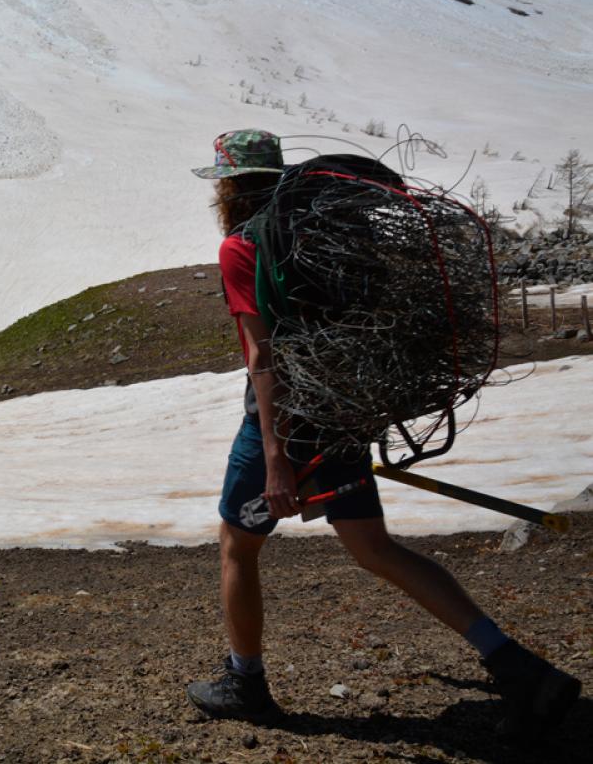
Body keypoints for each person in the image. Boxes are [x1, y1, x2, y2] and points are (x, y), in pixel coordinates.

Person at [185, 129, 580, 735]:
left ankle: (245, 682)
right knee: (374, 548)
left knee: (238, 545)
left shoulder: (243, 248)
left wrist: (274, 457)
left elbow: (264, 357)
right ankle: (516, 665)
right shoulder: (329, 238)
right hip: (342, 413)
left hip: (285, 424)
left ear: (229, 186)